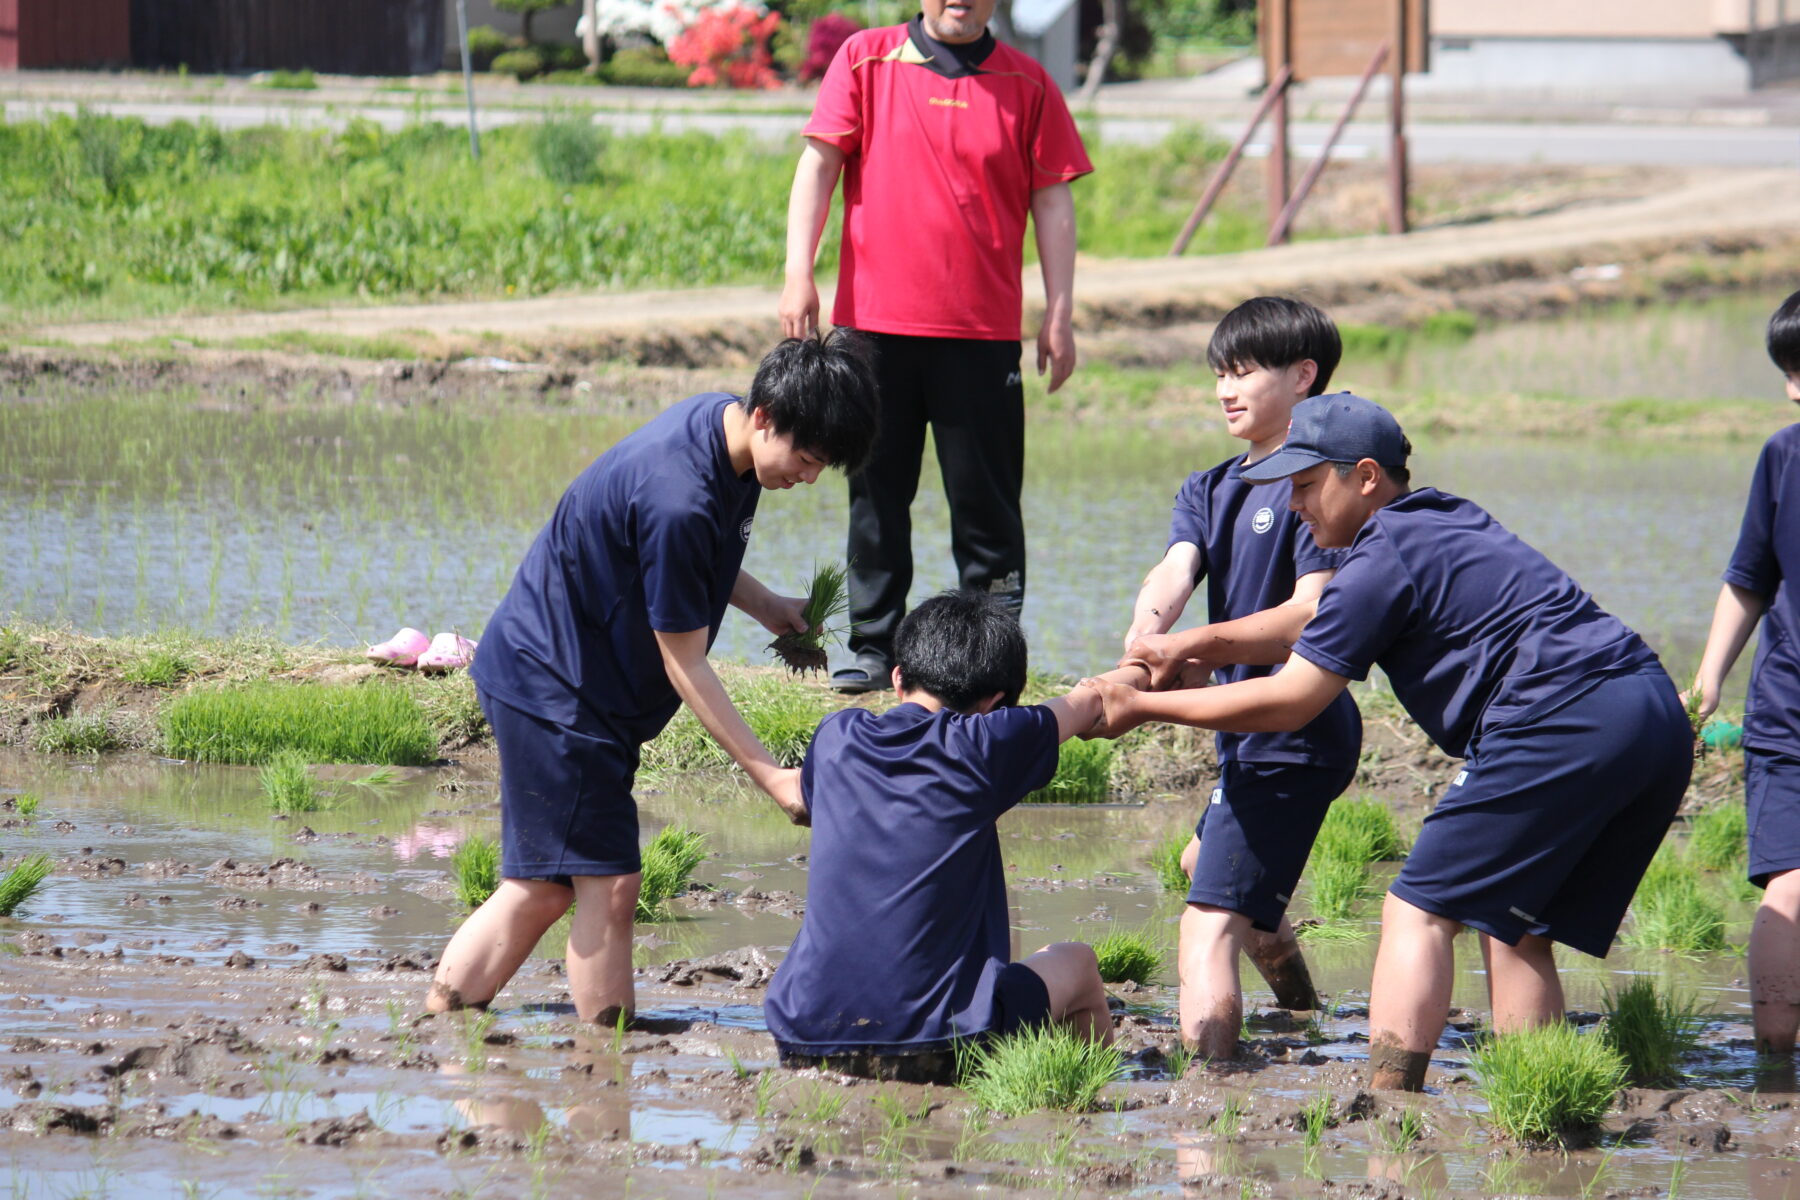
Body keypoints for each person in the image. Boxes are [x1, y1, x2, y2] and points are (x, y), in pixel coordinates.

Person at [1086, 392, 1693, 1091]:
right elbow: (1307, 622)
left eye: (1308, 486)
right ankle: (1543, 1098)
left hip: (1559, 719)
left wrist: (1147, 707)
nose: (1295, 507)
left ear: (1365, 477)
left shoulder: (1383, 554)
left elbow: (1292, 700)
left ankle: (1390, 1104)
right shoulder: (1442, 520)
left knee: (1416, 909)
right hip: (1649, 713)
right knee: (1517, 926)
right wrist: (1190, 643)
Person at [428, 332, 880, 1025]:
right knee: (608, 885)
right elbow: (684, 660)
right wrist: (772, 776)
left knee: (546, 885)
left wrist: (769, 607)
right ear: (765, 417)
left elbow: (700, 555)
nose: (809, 477)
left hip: (565, 677)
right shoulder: (680, 497)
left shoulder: (722, 434)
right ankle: (601, 1058)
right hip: (558, 691)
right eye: (808, 459)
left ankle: (447, 1016)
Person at [777, 0, 1093, 694]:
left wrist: (1060, 312)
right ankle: (870, 645)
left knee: (986, 508)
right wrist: (799, 270)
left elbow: (1053, 202)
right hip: (873, 328)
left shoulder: (1028, 83)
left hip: (980, 334)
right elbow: (820, 162)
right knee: (876, 496)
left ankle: (989, 660)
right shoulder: (865, 57)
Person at [764, 590, 1146, 1081]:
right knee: (1077, 963)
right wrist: (1147, 666)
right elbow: (1089, 700)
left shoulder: (837, 737)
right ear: (995, 704)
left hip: (803, 1036)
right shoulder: (989, 742)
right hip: (940, 1046)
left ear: (898, 677)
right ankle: (1077, 1103)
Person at [1119, 297, 1361, 1060]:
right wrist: (1147, 632)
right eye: (1219, 373)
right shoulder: (1213, 485)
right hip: (1243, 728)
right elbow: (1176, 567)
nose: (1226, 388)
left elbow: (1308, 610)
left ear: (1303, 376)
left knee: (1207, 922)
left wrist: (1193, 642)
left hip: (1295, 727)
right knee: (1204, 867)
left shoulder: (1319, 485)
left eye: (1244, 371)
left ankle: (1211, 1083)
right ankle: (1303, 1011)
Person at [1692, 288, 1800, 1058]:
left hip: (1785, 708)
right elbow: (1750, 578)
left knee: (1790, 888)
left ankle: (1774, 1076)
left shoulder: (1785, 451)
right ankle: (1775, 1064)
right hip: (1788, 710)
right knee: (1790, 885)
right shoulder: (1783, 454)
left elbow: (1749, 582)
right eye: (1786, 371)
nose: (1794, 388)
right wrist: (1706, 684)